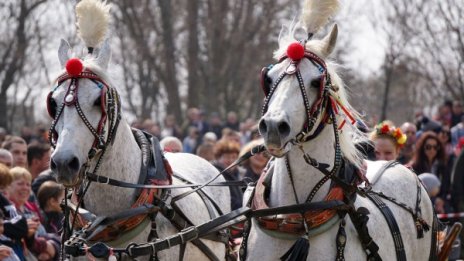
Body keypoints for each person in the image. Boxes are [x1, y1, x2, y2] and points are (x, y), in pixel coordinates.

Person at [7, 167, 59, 260]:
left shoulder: (31, 210)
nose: (25, 188)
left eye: (28, 184)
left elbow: (44, 235)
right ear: (8, 186)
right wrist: (44, 246)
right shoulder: (5, 212)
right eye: (20, 184)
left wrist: (52, 246)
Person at [409, 131, 451, 204]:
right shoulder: (414, 166)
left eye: (435, 147)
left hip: (441, 204)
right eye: (428, 147)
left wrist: (441, 200)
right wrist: (434, 200)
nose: (432, 150)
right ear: (422, 148)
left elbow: (446, 187)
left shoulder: (442, 166)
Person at [212, 140, 243, 210]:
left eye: (234, 157)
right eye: (227, 157)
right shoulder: (214, 174)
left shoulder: (240, 174)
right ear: (218, 157)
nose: (230, 160)